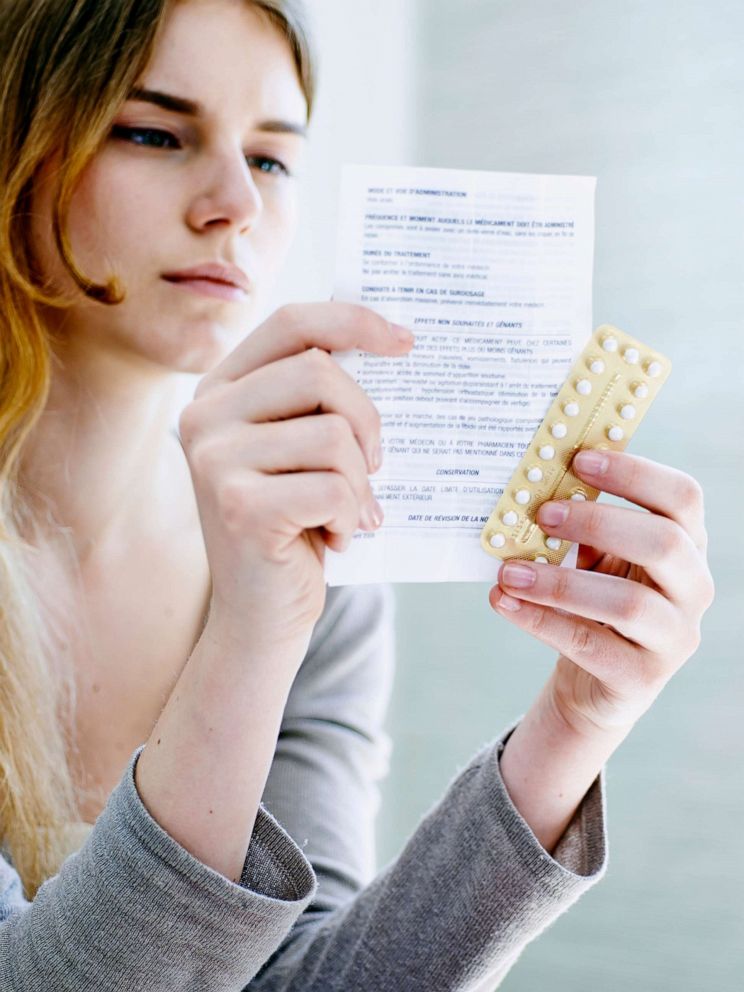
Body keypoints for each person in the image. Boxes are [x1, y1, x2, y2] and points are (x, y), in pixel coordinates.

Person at [0, 0, 714, 988]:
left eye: (273, 157)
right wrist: (248, 636)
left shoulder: (314, 564)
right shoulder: (275, 578)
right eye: (154, 132)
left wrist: (578, 724)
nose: (235, 204)